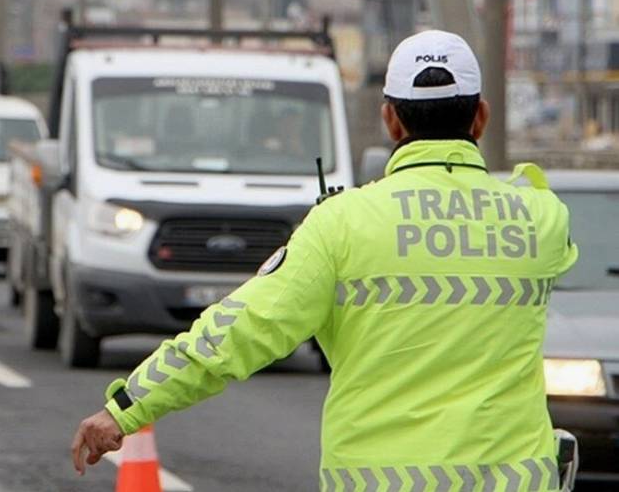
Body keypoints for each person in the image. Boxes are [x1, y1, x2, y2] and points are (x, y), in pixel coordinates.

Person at [71, 30, 579, 491]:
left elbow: (236, 331)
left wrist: (128, 408)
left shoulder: (342, 223)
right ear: (481, 116)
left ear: (390, 118)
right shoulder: (540, 217)